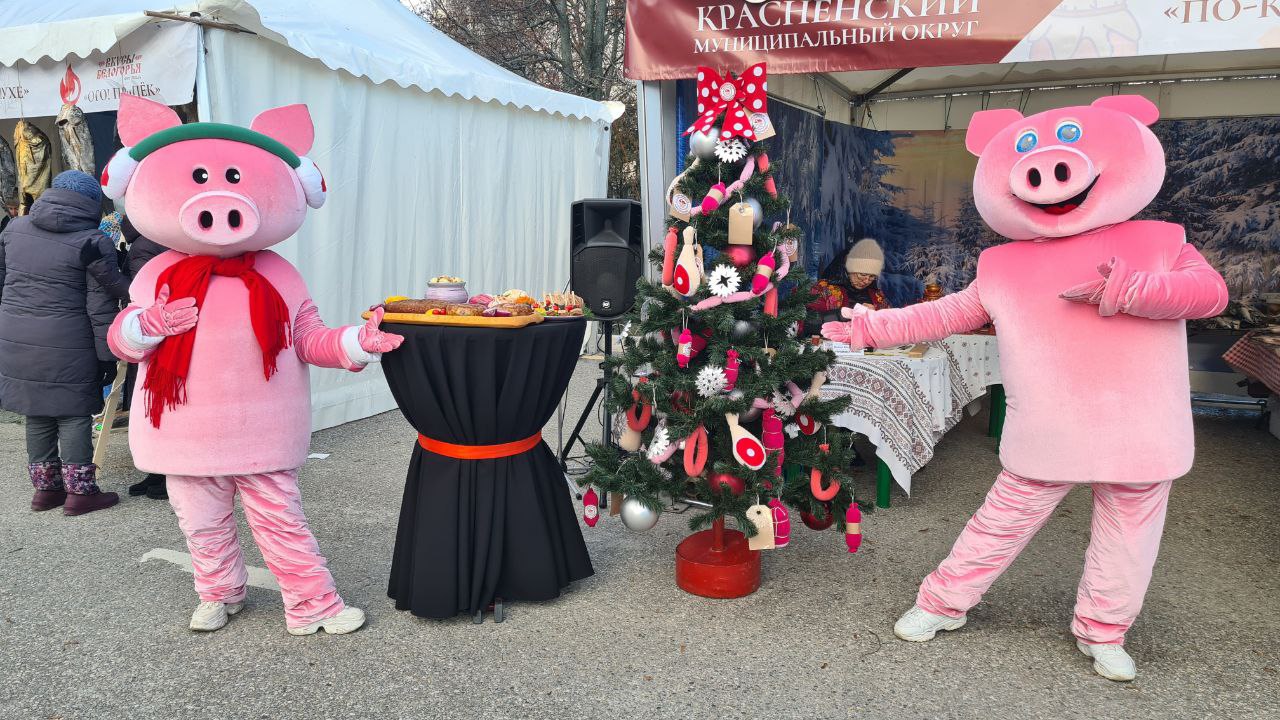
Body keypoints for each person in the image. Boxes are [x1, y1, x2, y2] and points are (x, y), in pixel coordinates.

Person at [0, 170, 132, 515]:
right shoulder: (92, 240)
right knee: (74, 413)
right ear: (90, 203)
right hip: (69, 339)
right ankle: (81, 494)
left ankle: (46, 491)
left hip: (16, 335)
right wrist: (107, 356)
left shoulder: (14, 229)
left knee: (38, 411)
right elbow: (100, 306)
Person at [838, 238, 891, 311]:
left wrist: (875, 314)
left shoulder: (877, 295)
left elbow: (889, 319)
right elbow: (816, 318)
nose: (866, 281)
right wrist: (849, 313)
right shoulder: (824, 289)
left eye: (872, 276)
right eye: (862, 274)